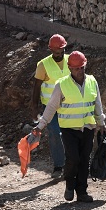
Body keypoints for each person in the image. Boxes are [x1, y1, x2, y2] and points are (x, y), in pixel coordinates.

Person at [32, 50, 106, 203]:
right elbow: (51, 107)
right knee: (73, 158)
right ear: (70, 68)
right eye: (76, 68)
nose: (79, 71)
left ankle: (82, 192)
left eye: (82, 67)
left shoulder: (92, 81)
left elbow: (97, 105)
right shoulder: (62, 85)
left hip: (88, 128)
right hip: (69, 130)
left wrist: (101, 123)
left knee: (85, 160)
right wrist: (40, 125)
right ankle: (69, 186)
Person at [32, 34, 69, 178]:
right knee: (55, 133)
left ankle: (72, 164)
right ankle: (59, 166)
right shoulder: (43, 65)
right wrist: (34, 107)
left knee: (71, 134)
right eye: (55, 52)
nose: (58, 55)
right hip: (50, 108)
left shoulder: (71, 60)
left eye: (61, 52)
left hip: (69, 106)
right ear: (50, 50)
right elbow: (36, 87)